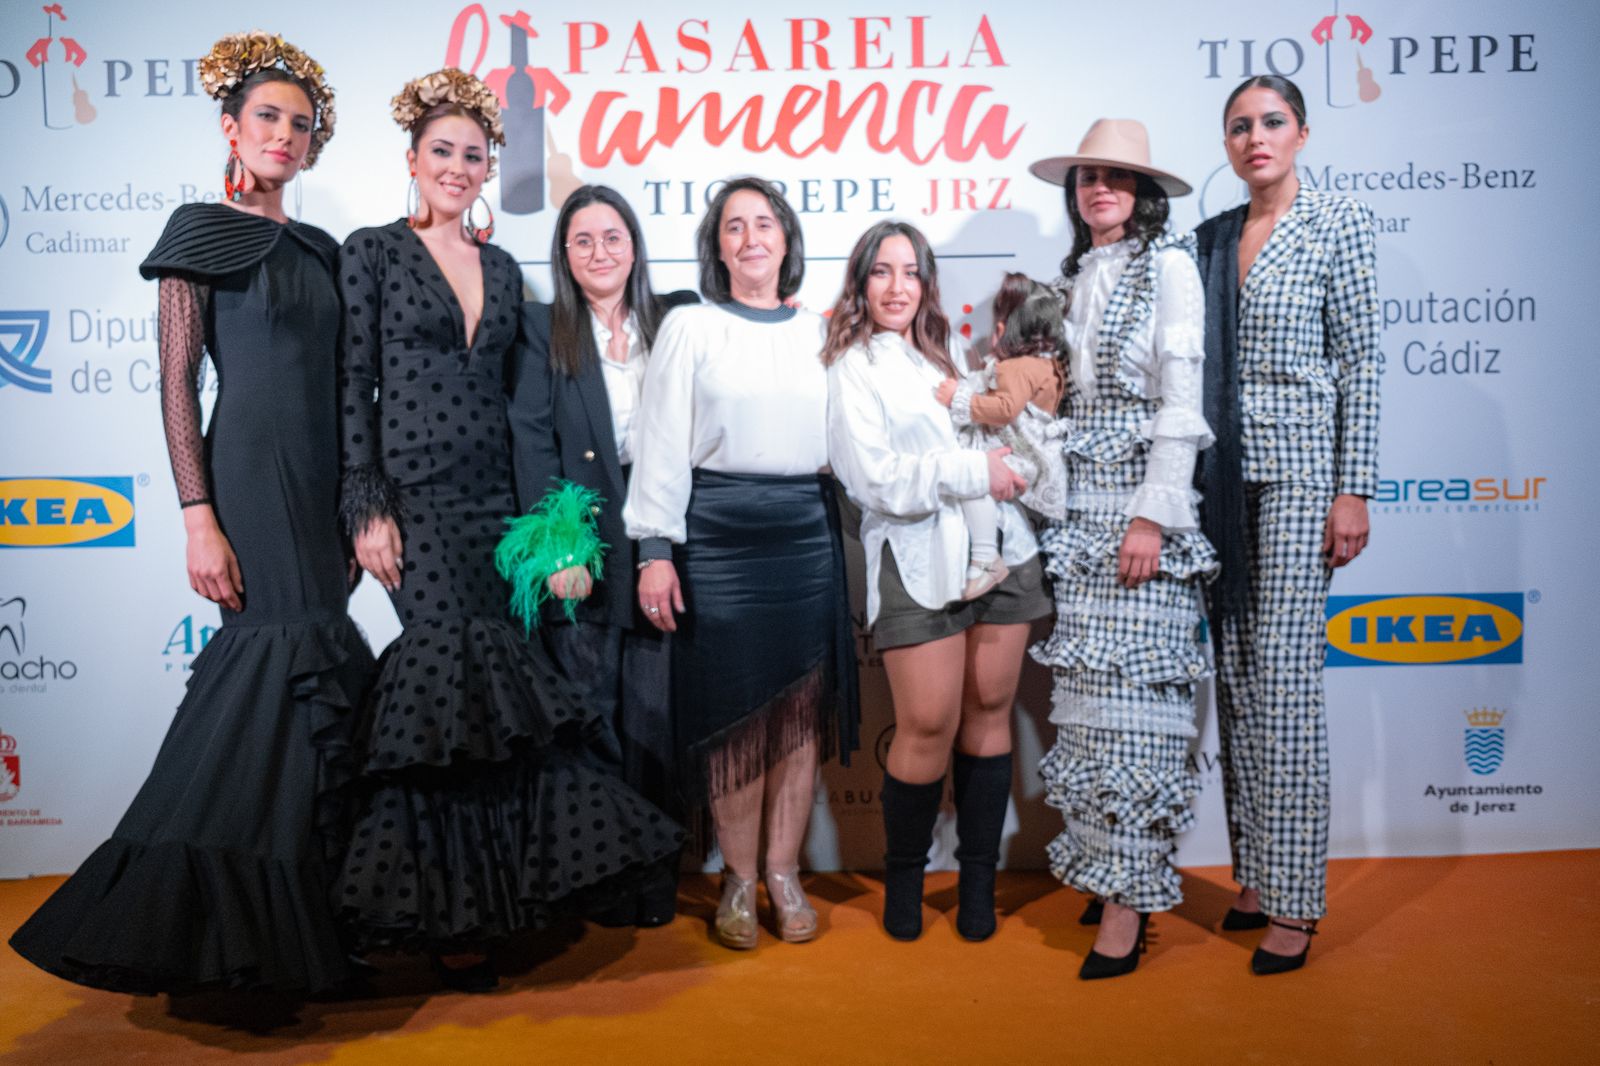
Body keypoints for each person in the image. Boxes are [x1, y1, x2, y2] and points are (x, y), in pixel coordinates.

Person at [9, 32, 376, 996]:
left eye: (301, 124)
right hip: (246, 482)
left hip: (323, 491)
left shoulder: (326, 250)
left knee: (313, 688)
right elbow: (178, 381)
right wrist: (197, 514)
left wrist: (353, 506)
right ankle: (219, 932)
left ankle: (303, 926)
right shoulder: (197, 231)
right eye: (268, 117)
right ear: (230, 126)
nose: (285, 136)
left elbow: (345, 391)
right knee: (268, 683)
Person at [335, 69, 682, 991]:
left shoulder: (501, 268)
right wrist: (365, 501)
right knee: (446, 686)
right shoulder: (369, 251)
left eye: (472, 156)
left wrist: (544, 530)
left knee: (498, 700)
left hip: (498, 503)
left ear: (490, 170)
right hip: (414, 499)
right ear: (412, 159)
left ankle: (495, 902)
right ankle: (437, 912)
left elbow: (523, 406)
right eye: (440, 152)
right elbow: (352, 384)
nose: (456, 168)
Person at [624, 177, 859, 949]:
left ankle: (785, 875)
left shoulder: (822, 331)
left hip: (804, 536)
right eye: (735, 226)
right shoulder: (689, 327)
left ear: (788, 240)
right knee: (733, 725)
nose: (751, 237)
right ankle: (738, 881)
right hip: (716, 539)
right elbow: (660, 444)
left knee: (795, 721)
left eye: (765, 224)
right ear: (717, 245)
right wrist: (654, 552)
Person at [1193, 76, 1379, 975]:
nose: (1255, 137)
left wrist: (1356, 488)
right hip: (1222, 482)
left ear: (1301, 132)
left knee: (1289, 687)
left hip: (1305, 476)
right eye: (1239, 126)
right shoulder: (1216, 238)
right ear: (1226, 144)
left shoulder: (1339, 223)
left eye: (1271, 122)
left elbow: (1363, 365)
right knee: (1235, 676)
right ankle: (1258, 873)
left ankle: (1299, 904)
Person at [1025, 118, 1217, 979]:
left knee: (1141, 725)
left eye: (1116, 177)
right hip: (1080, 525)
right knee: (1095, 720)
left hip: (1142, 514)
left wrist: (1153, 517)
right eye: (1086, 177)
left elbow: (1182, 402)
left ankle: (1130, 909)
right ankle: (1109, 874)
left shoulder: (1170, 268)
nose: (1098, 188)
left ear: (1142, 194)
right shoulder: (1072, 277)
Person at [824, 220, 1051, 944]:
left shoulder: (951, 350)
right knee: (926, 723)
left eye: (910, 272)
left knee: (989, 709)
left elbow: (990, 431)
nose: (896, 287)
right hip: (917, 560)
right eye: (881, 272)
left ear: (927, 283)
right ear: (861, 282)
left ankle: (978, 883)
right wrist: (972, 472)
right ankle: (905, 879)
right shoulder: (849, 365)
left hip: (1004, 552)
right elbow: (874, 480)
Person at [507, 184, 699, 928]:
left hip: (659, 539)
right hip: (579, 538)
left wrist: (660, 546)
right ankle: (597, 874)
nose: (599, 252)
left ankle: (654, 877)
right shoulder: (541, 329)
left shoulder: (674, 321)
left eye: (612, 237)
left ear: (635, 246)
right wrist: (558, 547)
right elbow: (529, 441)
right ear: (564, 254)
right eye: (582, 240)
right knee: (590, 713)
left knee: (653, 717)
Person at [935, 272, 1070, 597]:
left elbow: (1005, 409)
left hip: (1022, 456)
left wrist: (959, 399)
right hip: (1035, 457)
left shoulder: (1016, 368)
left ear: (1005, 328)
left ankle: (985, 557)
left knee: (974, 478)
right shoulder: (1046, 365)